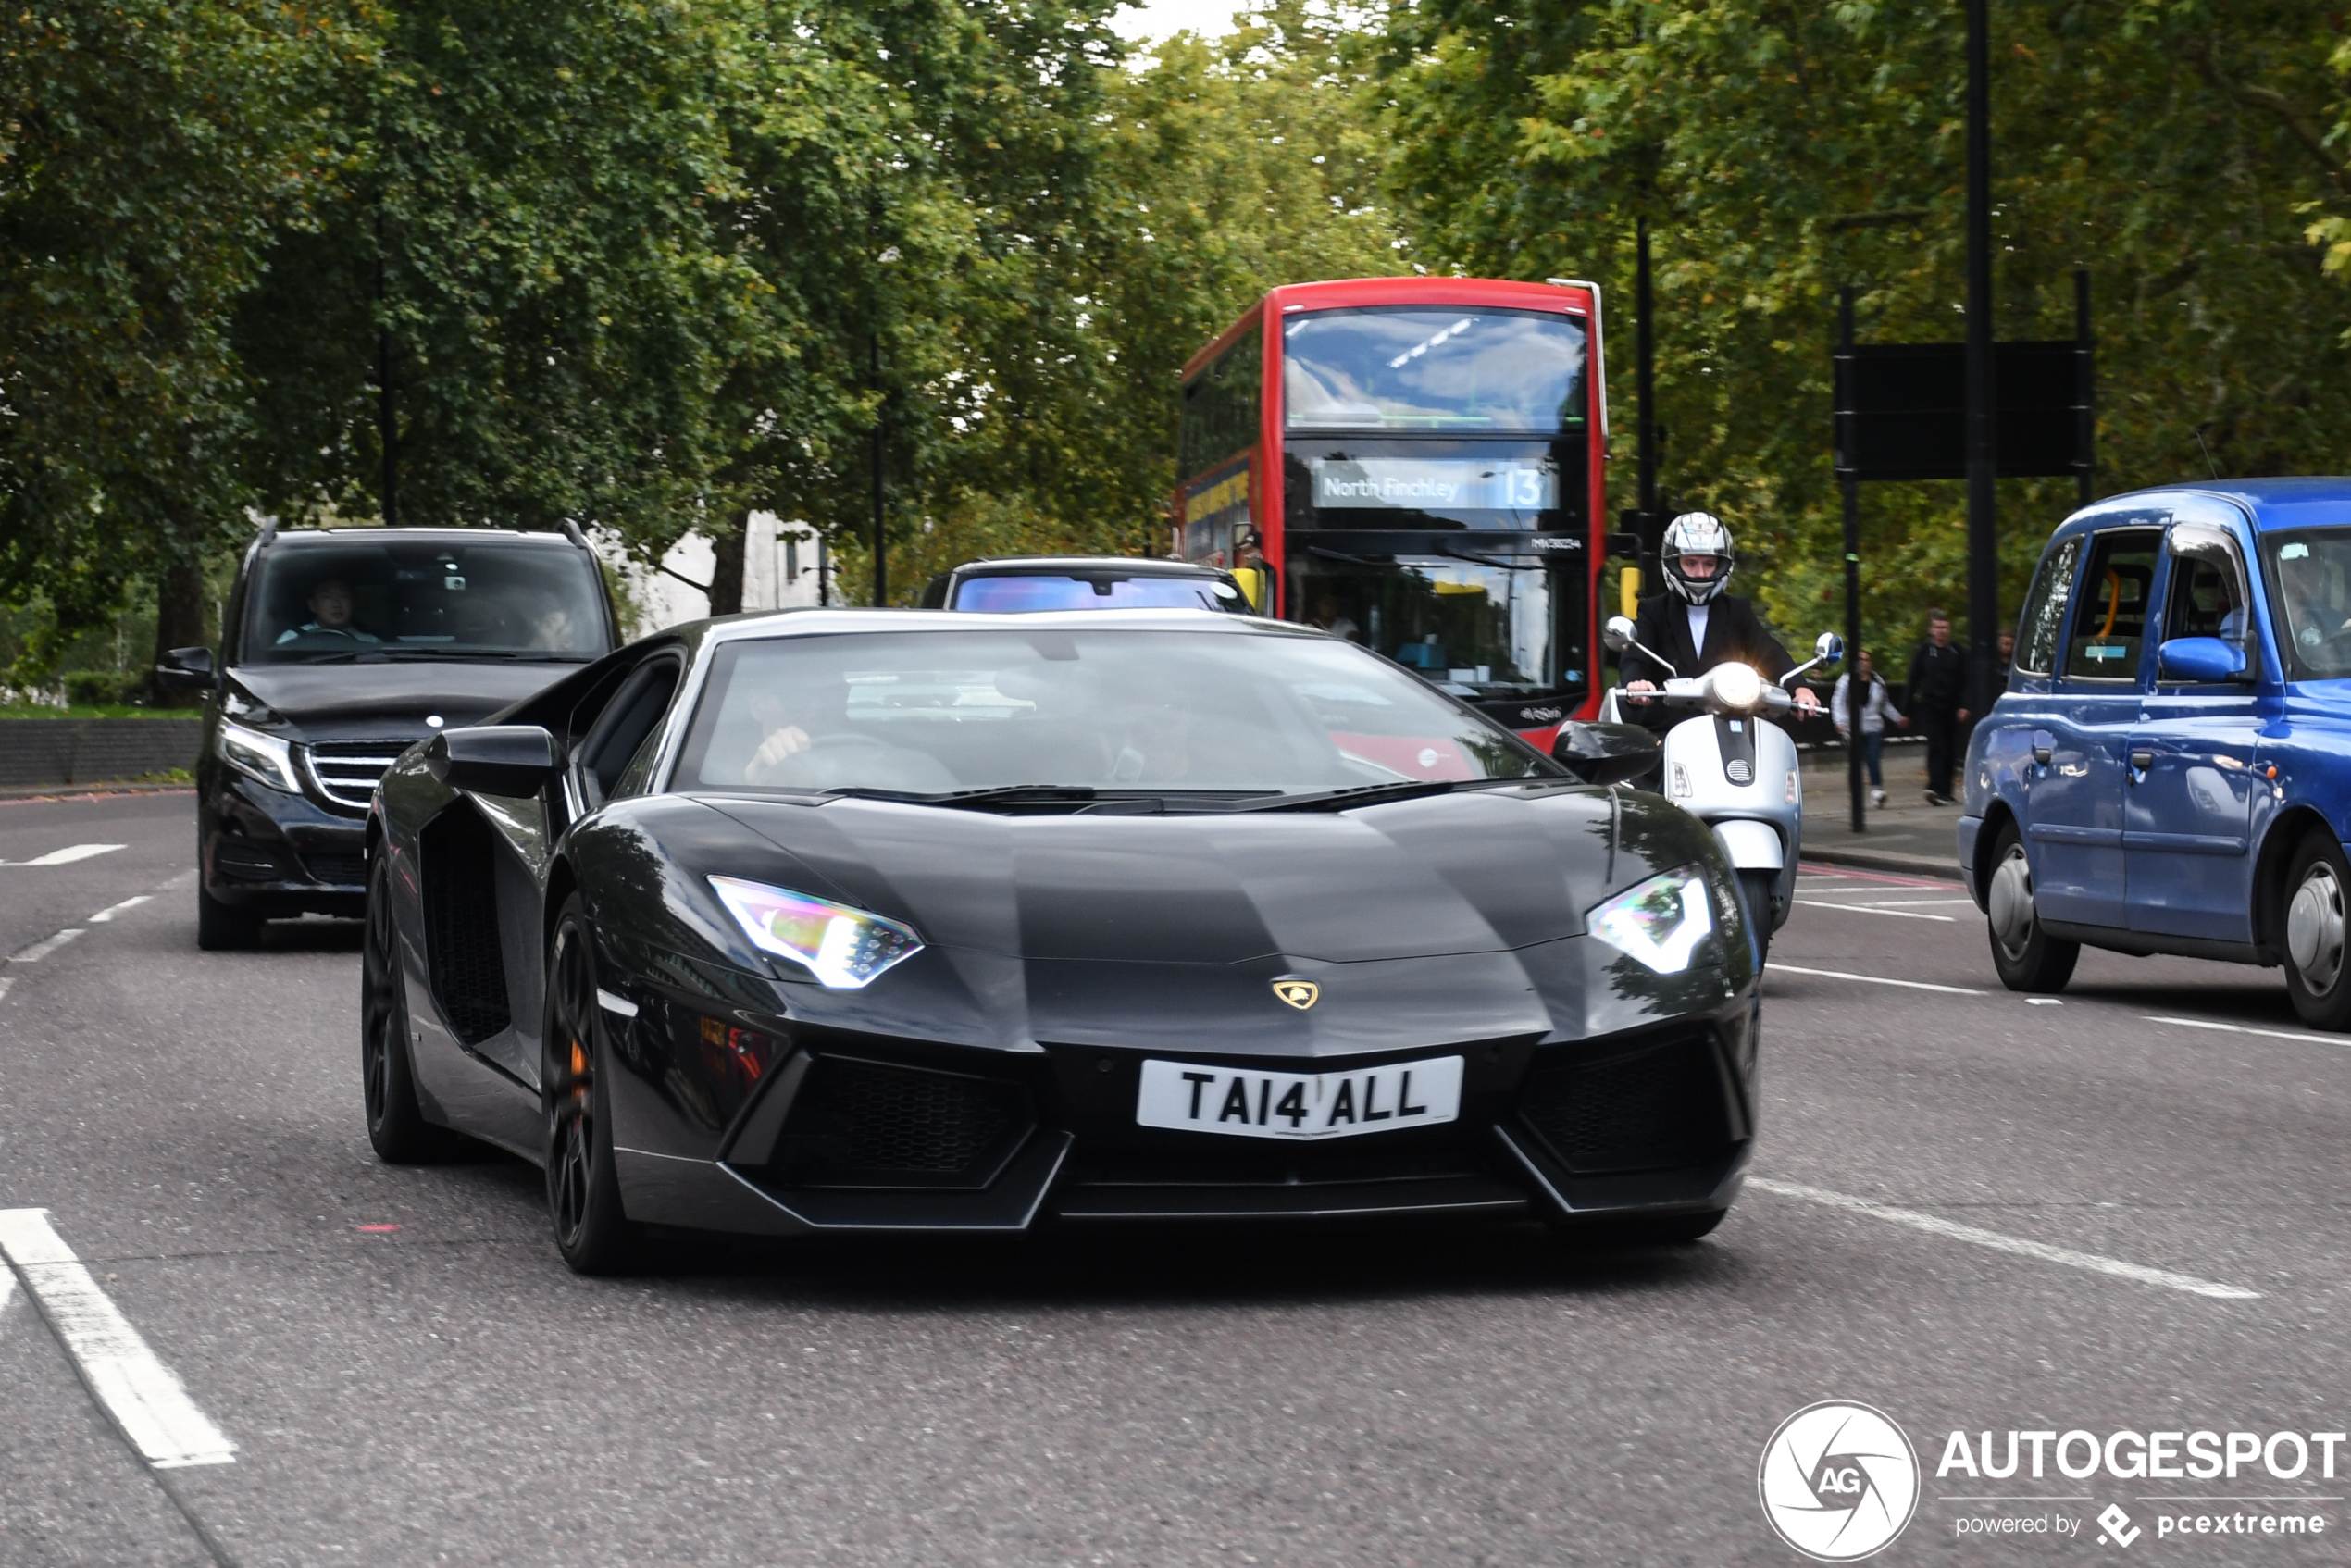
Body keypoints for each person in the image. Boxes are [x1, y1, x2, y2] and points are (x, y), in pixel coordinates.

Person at [1621, 512, 1821, 725]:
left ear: (1722, 565)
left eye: (1709, 564)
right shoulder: (1653, 611)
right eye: (1691, 563)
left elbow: (1768, 650)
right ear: (1674, 563)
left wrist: (1800, 687)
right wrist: (1636, 683)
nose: (1700, 573)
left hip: (1727, 723)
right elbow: (1636, 656)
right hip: (1669, 727)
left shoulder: (1737, 610)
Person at [1830, 649, 1908, 807]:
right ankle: (1855, 795)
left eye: (1867, 659)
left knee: (1872, 757)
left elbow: (1884, 704)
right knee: (1855, 762)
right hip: (1851, 727)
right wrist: (1840, 722)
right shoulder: (1846, 680)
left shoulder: (1877, 681)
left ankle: (1877, 791)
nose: (1864, 662)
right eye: (1860, 659)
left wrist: (1898, 718)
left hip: (1873, 726)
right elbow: (1837, 702)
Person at [1908, 609, 1969, 805]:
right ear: (1931, 630)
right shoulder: (1924, 651)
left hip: (1951, 706)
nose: (1941, 631)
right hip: (1931, 705)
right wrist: (1905, 710)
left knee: (1950, 749)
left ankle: (1946, 791)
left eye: (1944, 627)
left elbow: (1966, 681)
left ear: (1949, 629)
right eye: (1937, 627)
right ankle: (1934, 786)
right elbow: (1913, 680)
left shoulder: (1957, 651)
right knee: (1936, 745)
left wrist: (1965, 705)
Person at [275, 576, 379, 646]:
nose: (336, 604)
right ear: (313, 605)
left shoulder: (369, 642)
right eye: (327, 597)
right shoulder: (293, 638)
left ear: (354, 603)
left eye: (344, 596)